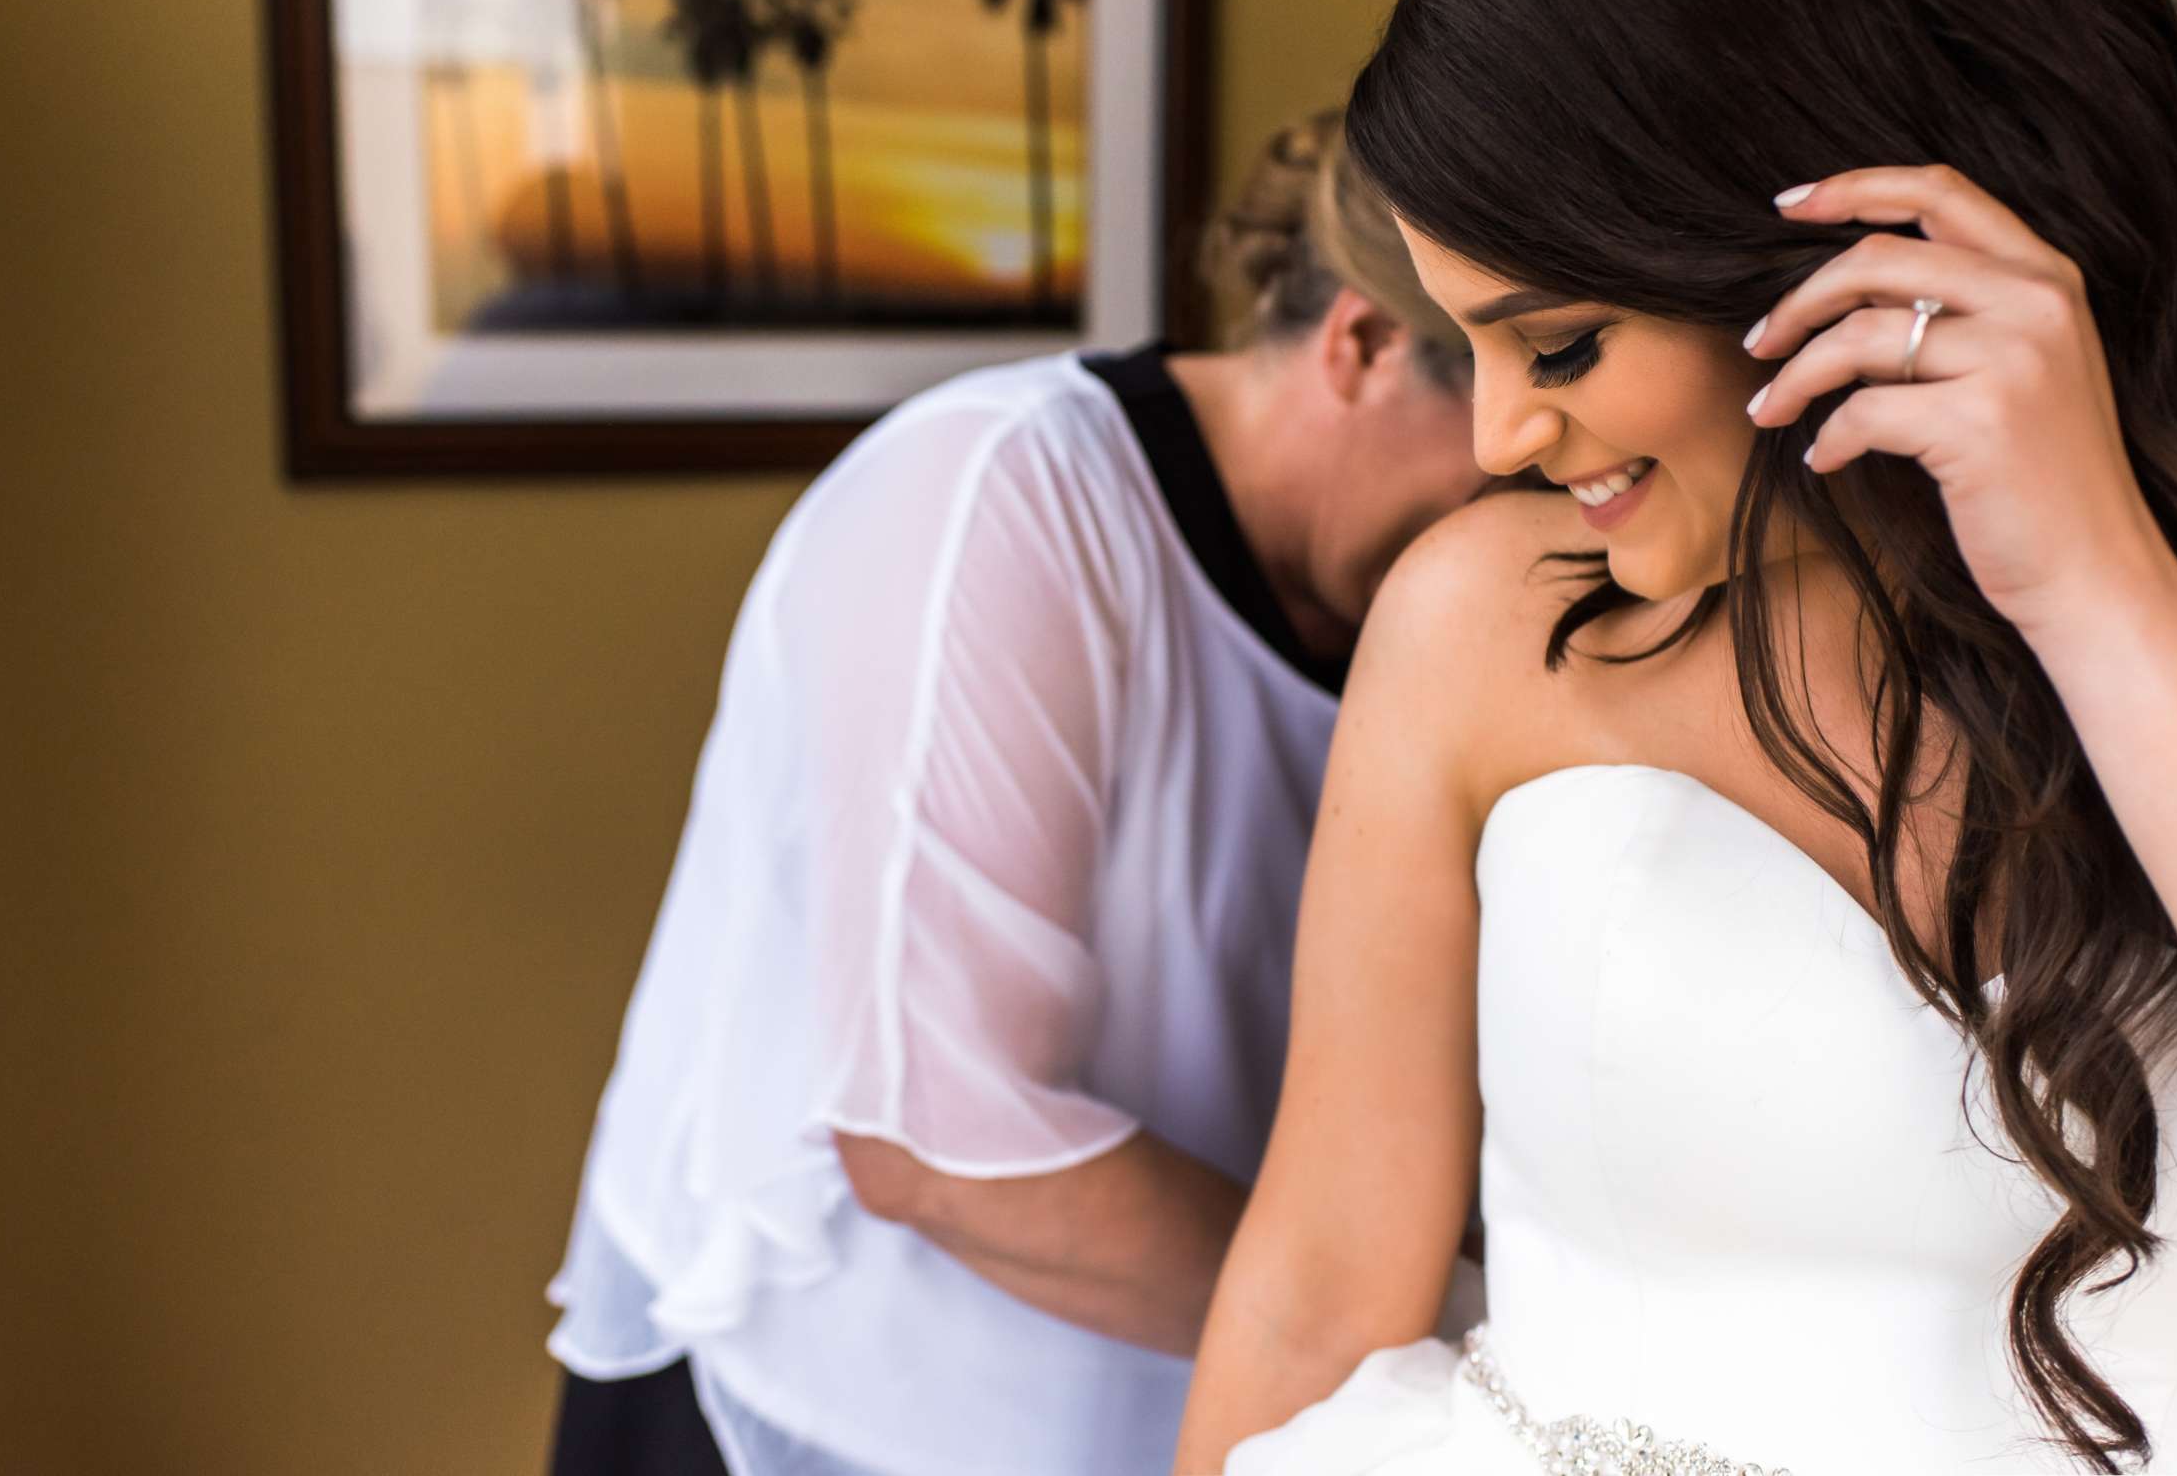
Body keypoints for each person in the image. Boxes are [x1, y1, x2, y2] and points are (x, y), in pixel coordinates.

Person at [1173, 0, 2177, 1472]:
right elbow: (1318, 1289)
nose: (1494, 441)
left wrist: (2098, 588)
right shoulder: (1479, 616)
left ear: (1839, 245)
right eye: (1461, 343)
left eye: (1556, 344)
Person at [541, 110, 1490, 1476]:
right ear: (1364, 343)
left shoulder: (1425, 614)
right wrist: (1444, 1325)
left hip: (1185, 1413)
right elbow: (937, 1140)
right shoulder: (1010, 495)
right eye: (1508, 445)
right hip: (826, 1413)